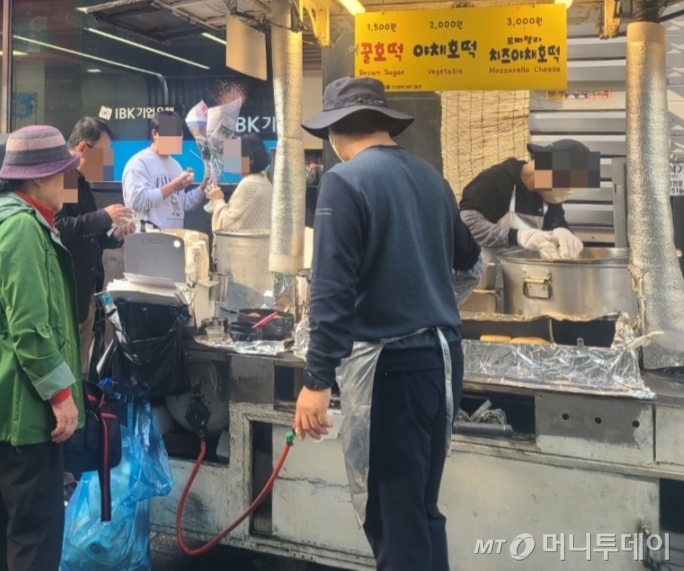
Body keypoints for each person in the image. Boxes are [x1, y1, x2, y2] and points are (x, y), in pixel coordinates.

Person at [293, 77, 482, 571]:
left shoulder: (344, 181)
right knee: (420, 511)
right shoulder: (431, 177)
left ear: (334, 132)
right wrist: (427, 296)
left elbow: (332, 290)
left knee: (394, 521)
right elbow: (471, 263)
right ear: (383, 123)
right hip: (442, 365)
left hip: (390, 373)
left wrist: (317, 380)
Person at [0, 125, 83, 571]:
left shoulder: (18, 221)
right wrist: (61, 395)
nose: (69, 180)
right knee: (36, 529)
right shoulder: (22, 229)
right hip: (25, 404)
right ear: (40, 177)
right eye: (64, 171)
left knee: (15, 518)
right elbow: (30, 328)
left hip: (16, 397)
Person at [55, 117, 134, 377]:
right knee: (70, 369)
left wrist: (115, 234)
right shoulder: (67, 177)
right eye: (103, 154)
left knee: (80, 368)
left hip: (86, 293)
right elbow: (60, 226)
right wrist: (103, 216)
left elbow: (87, 233)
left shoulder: (80, 181)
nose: (106, 162)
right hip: (69, 294)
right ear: (82, 149)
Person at [459, 139, 592, 260]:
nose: (568, 190)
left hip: (526, 275)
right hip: (487, 274)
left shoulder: (548, 195)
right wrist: (516, 236)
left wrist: (564, 233)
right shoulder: (496, 181)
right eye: (568, 183)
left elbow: (556, 223)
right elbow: (466, 224)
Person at [122, 111, 206, 230]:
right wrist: (173, 186)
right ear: (155, 133)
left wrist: (203, 188)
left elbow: (181, 204)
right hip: (147, 238)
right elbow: (138, 202)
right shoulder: (139, 163)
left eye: (179, 133)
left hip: (175, 237)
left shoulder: (176, 165)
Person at [203, 133, 273, 232]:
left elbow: (227, 226)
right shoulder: (261, 180)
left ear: (250, 159)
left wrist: (218, 200)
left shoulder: (249, 185)